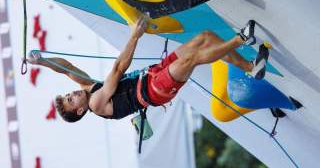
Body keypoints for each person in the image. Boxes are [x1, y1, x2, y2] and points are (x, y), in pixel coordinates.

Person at [27, 18, 267, 122]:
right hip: (155, 90)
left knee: (205, 37)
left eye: (69, 94)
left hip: (153, 74)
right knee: (192, 58)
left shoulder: (88, 89)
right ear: (79, 111)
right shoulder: (96, 103)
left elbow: (66, 68)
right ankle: (240, 39)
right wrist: (134, 36)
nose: (72, 94)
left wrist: (42, 61)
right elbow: (119, 68)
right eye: (71, 99)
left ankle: (251, 67)